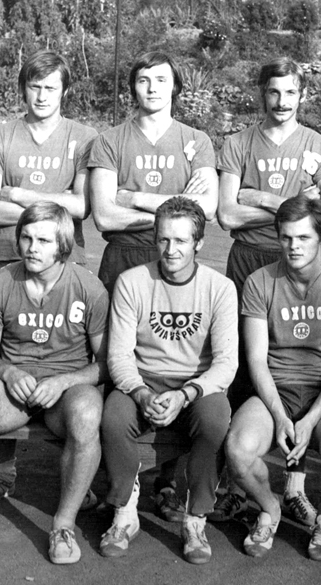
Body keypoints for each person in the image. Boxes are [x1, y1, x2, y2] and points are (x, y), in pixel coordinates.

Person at [89, 50, 218, 521]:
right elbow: (105, 215)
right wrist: (173, 209)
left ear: (175, 87)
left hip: (177, 262)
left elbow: (208, 209)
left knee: (175, 357)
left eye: (161, 80)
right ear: (133, 87)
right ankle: (117, 479)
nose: (152, 88)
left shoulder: (196, 141)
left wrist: (136, 198)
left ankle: (166, 481)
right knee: (116, 363)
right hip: (123, 259)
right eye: (143, 80)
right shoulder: (109, 141)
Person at [214, 57, 321, 524]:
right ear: (261, 94)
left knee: (297, 366)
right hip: (249, 261)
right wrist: (294, 204)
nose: (281, 101)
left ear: (302, 94)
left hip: (302, 267)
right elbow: (226, 214)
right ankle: (235, 482)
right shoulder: (238, 143)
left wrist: (260, 198)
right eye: (273, 92)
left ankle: (294, 486)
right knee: (242, 368)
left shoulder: (319, 145)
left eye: (290, 92)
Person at [0, 202, 109, 565]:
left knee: (87, 412)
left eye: (43, 241)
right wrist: (8, 373)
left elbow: (105, 364)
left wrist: (64, 381)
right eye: (26, 237)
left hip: (64, 391)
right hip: (13, 392)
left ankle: (63, 525)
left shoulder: (88, 287)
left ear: (63, 245)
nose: (32, 248)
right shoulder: (1, 282)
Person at [0, 50, 98, 505]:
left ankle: (80, 470)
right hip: (6, 257)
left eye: (51, 87)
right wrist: (55, 202)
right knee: (8, 357)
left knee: (70, 354)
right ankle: (3, 468)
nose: (42, 95)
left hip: (67, 262)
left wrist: (20, 194)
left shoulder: (84, 137)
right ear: (23, 88)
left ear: (65, 91)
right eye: (34, 86)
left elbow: (82, 207)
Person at [225, 197, 321, 561]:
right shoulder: (259, 281)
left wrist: (311, 420)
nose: (294, 246)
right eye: (286, 237)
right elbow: (257, 360)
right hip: (276, 390)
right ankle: (269, 508)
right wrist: (280, 415)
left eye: (303, 237)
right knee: (238, 450)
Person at [100, 197, 237, 565]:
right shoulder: (132, 281)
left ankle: (195, 519)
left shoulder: (220, 287)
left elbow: (226, 364)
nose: (171, 250)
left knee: (215, 420)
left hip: (195, 384)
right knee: (113, 417)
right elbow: (119, 355)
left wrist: (185, 394)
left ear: (199, 243)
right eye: (163, 239)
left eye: (181, 241)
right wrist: (140, 392)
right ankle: (124, 512)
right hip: (144, 379)